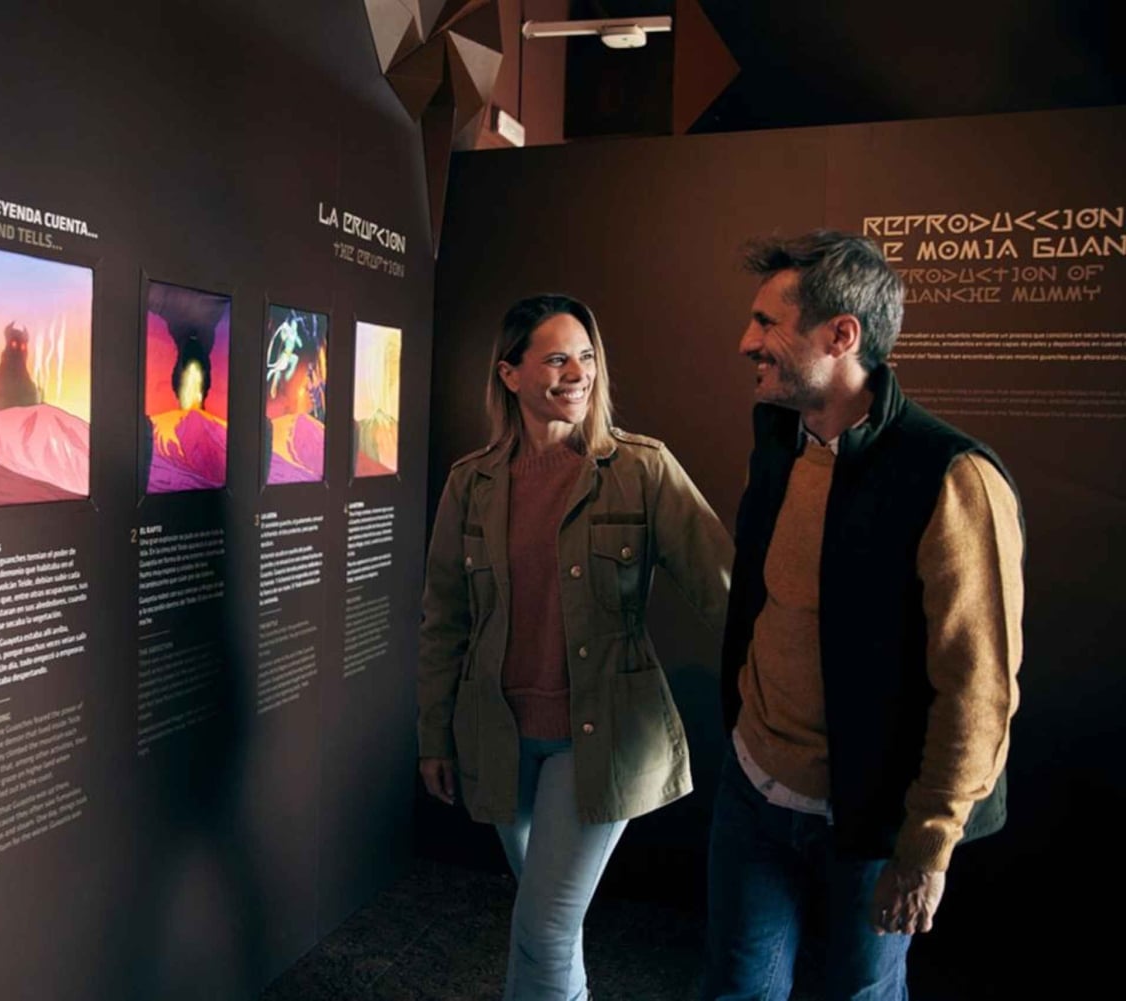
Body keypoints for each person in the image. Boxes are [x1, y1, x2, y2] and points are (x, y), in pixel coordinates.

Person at [703, 231, 1025, 999]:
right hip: (752, 786)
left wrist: (927, 848)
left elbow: (978, 688)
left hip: (874, 818)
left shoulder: (950, 476)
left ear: (841, 335)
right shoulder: (778, 438)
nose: (746, 342)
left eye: (767, 322)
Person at [418, 293, 733, 1001]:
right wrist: (433, 734)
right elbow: (444, 618)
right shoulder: (471, 482)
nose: (578, 372)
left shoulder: (641, 468)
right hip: (499, 733)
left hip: (600, 736)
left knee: (545, 926)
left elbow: (725, 591)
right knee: (548, 919)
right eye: (557, 357)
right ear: (510, 374)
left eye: (586, 357)